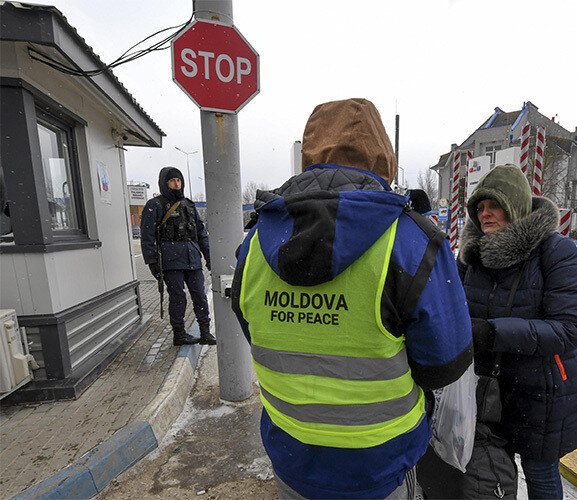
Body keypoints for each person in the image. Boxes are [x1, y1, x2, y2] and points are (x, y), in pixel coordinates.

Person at [231, 98, 473, 499]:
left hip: (292, 459)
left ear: (309, 156)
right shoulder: (411, 241)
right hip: (379, 469)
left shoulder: (255, 242)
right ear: (384, 161)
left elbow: (253, 329)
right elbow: (445, 364)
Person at [457, 165, 577, 499]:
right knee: (488, 472)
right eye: (479, 207)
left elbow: (574, 329)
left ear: (515, 205)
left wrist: (493, 333)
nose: (484, 213)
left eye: (494, 205)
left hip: (541, 392)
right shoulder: (472, 256)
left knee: (540, 473)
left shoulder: (555, 251)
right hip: (486, 389)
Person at [141, 167, 215, 346]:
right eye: (172, 180)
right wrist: (152, 262)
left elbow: (201, 233)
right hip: (171, 260)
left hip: (193, 258)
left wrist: (209, 257)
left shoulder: (188, 204)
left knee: (199, 295)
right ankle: (179, 333)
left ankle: (205, 331)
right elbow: (147, 235)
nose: (177, 184)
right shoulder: (155, 205)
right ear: (165, 183)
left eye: (179, 180)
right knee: (177, 297)